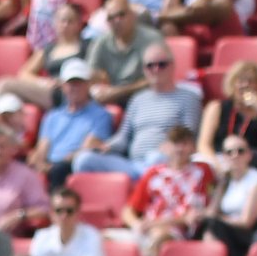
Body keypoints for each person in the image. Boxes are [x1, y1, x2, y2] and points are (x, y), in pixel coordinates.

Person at [72, 42, 203, 184]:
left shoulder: (188, 97)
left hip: (164, 160)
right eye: (150, 65)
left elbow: (188, 135)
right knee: (83, 160)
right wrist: (105, 146)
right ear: (144, 70)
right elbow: (123, 138)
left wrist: (172, 146)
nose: (156, 69)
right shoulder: (137, 99)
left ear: (172, 66)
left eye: (161, 64)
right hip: (132, 164)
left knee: (155, 159)